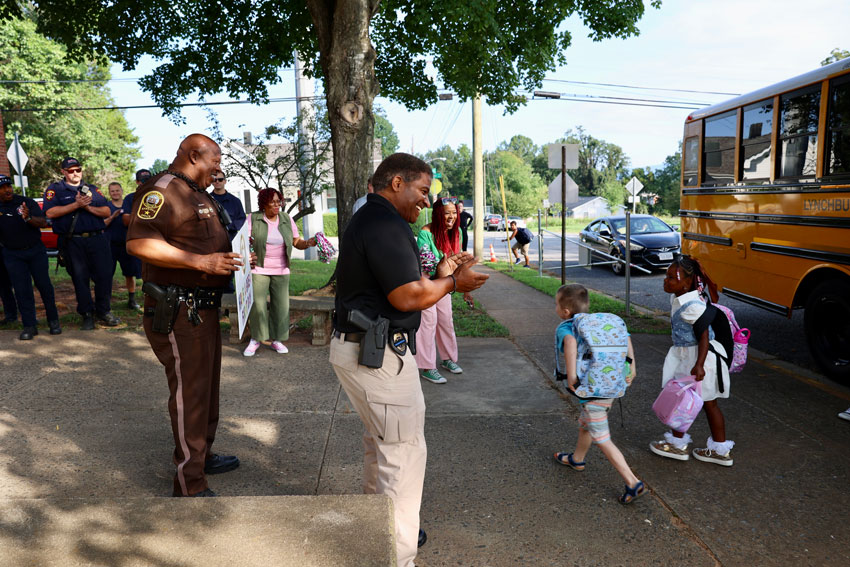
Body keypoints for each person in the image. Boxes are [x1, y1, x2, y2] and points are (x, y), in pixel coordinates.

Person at [331, 152, 488, 567]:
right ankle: (398, 556)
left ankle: (376, 531)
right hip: (377, 355)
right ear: (396, 183)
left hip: (369, 349)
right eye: (422, 190)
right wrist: (453, 282)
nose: (427, 201)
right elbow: (406, 297)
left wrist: (439, 275)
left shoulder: (376, 220)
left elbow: (402, 285)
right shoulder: (384, 223)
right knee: (402, 455)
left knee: (382, 446)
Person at [126, 134, 243, 497]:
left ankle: (201, 456)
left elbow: (207, 240)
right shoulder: (161, 191)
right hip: (178, 310)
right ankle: (188, 482)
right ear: (194, 155)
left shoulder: (198, 191)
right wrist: (200, 261)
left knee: (206, 391)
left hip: (203, 308)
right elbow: (139, 243)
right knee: (189, 395)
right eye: (215, 160)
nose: (219, 168)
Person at [551, 284, 644, 504]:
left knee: (602, 438)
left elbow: (571, 344)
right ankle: (577, 459)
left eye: (556, 304)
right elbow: (625, 335)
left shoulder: (568, 327)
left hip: (592, 389)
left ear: (565, 311)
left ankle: (632, 482)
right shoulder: (601, 323)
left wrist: (572, 377)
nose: (555, 308)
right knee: (587, 422)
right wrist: (631, 366)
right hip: (612, 384)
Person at [650, 255, 734, 466]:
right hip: (689, 356)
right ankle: (680, 445)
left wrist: (698, 365)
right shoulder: (681, 298)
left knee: (707, 403)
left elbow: (704, 335)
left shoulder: (692, 305)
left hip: (699, 359)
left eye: (671, 277)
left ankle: (717, 450)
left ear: (687, 282)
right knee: (685, 401)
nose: (665, 281)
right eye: (666, 276)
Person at [42, 157, 120, 330]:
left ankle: (103, 311)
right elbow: (51, 212)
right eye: (71, 171)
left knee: (104, 276)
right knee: (80, 278)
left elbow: (107, 210)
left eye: (78, 169)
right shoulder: (55, 190)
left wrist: (88, 208)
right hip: (73, 241)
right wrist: (76, 204)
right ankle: (86, 314)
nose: (75, 173)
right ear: (63, 172)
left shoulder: (92, 189)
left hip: (97, 239)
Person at [243, 187, 317, 357]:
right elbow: (243, 241)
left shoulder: (286, 219)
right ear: (264, 203)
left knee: (281, 306)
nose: (277, 205)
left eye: (279, 201)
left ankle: (277, 339)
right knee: (258, 305)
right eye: (273, 202)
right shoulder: (253, 219)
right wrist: (247, 253)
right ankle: (256, 338)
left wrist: (308, 243)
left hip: (281, 269)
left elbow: (296, 241)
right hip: (259, 268)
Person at [414, 195, 471, 384]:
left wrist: (465, 289)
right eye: (447, 214)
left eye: (454, 213)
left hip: (445, 282)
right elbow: (428, 264)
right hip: (427, 281)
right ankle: (427, 366)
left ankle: (448, 359)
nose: (451, 217)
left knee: (446, 320)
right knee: (428, 322)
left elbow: (459, 261)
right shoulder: (425, 233)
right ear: (438, 214)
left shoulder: (458, 233)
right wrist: (443, 270)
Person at [0, 174, 61, 339]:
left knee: (44, 286)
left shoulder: (25, 202)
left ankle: (53, 321)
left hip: (35, 251)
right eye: (2, 188)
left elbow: (43, 222)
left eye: (8, 186)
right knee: (22, 290)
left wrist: (27, 218)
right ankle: (29, 325)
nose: (7, 190)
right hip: (12, 254)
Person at [104, 181, 142, 310]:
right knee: (107, 273)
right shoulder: (107, 206)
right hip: (110, 245)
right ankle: (106, 301)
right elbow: (101, 224)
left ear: (121, 191)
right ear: (109, 193)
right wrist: (113, 216)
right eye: (112, 191)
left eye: (117, 190)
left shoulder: (129, 204)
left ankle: (131, 299)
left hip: (126, 244)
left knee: (130, 274)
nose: (115, 193)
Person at [209, 173, 246, 240]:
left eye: (220, 180)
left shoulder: (235, 201)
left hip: (230, 238)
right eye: (215, 180)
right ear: (212, 182)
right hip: (212, 239)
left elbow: (241, 219)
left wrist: (228, 227)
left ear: (225, 181)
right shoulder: (206, 200)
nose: (217, 181)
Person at [0, 247, 17, 324]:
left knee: (21, 285)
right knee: (3, 286)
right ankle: (10, 316)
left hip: (10, 248)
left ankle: (30, 318)